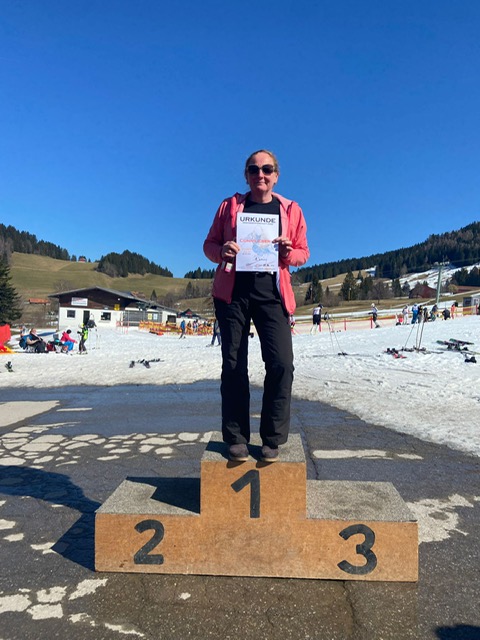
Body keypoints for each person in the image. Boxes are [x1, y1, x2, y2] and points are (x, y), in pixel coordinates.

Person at [203, 149, 309, 463]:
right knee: (234, 365)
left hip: (272, 295)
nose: (260, 174)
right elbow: (209, 245)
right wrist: (222, 250)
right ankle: (236, 437)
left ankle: (272, 437)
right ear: (246, 175)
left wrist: (288, 253)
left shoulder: (291, 209)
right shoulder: (230, 206)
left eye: (266, 169)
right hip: (232, 295)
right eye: (253, 169)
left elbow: (303, 252)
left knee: (281, 363)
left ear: (276, 175)